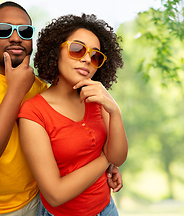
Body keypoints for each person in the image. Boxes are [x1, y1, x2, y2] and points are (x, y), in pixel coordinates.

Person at [0, 1, 123, 216]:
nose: (16, 37)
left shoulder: (42, 89)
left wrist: (108, 167)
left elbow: (67, 146)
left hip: (40, 204)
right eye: (4, 30)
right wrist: (15, 91)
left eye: (24, 31)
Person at [18, 13, 128, 216]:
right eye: (77, 49)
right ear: (55, 51)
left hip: (107, 209)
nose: (87, 59)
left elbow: (119, 157)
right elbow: (55, 194)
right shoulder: (33, 113)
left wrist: (115, 110)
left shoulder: (98, 98)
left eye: (95, 56)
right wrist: (106, 159)